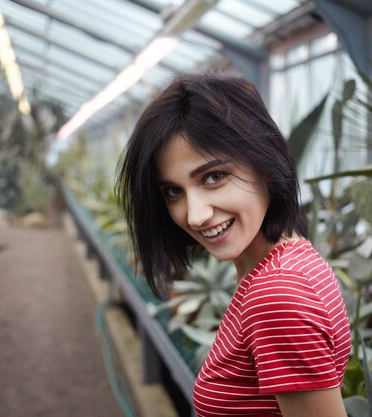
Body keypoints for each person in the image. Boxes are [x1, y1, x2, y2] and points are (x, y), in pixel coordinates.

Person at [116, 73, 351, 417]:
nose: (195, 216)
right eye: (173, 191)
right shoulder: (289, 261)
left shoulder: (277, 296)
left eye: (214, 177)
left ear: (266, 165)